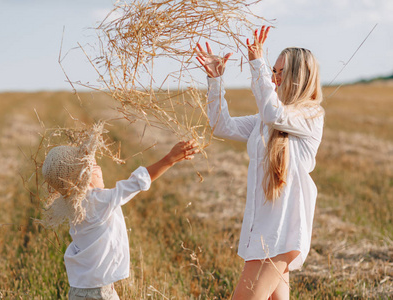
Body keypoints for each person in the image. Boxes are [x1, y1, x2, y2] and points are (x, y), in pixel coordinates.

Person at [195, 26, 324, 299]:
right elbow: (221, 126)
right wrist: (215, 80)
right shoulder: (265, 120)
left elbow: (272, 112)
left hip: (281, 233)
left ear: (298, 77)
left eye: (279, 72)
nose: (274, 79)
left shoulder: (310, 114)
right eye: (272, 72)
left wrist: (258, 63)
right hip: (263, 230)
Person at [42, 139, 199, 300]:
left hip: (78, 290)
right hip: (98, 293)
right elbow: (135, 183)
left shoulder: (73, 205)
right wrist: (169, 160)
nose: (100, 168)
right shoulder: (95, 201)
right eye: (94, 166)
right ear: (83, 176)